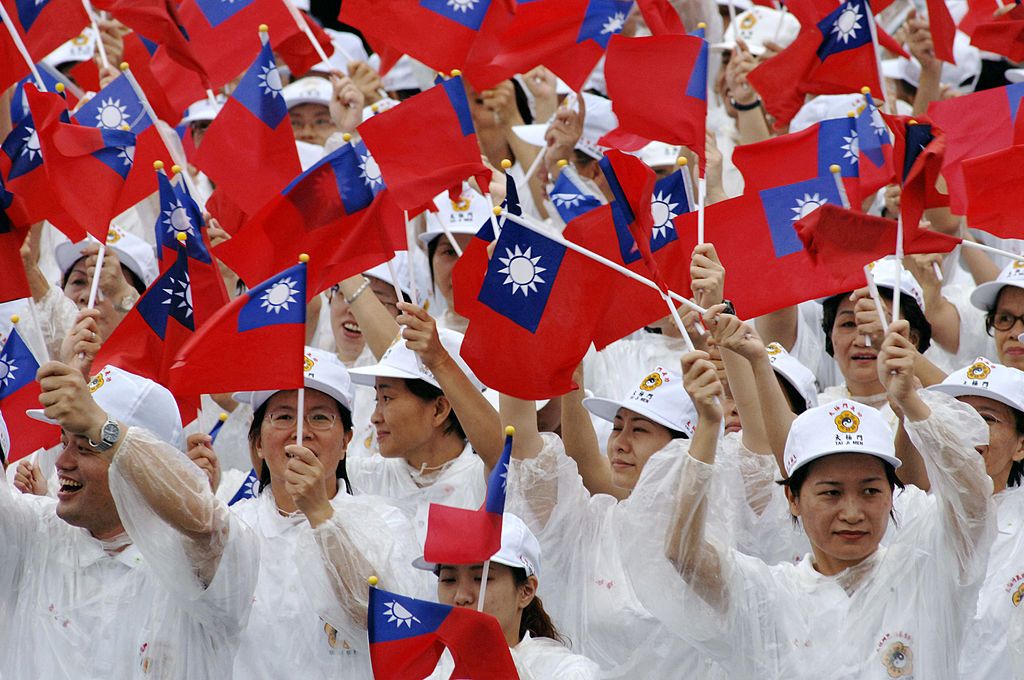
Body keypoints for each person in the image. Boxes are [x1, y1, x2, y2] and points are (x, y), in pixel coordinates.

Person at [640, 320, 994, 679]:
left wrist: (911, 405)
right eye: (831, 493)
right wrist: (708, 426)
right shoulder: (769, 596)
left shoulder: (929, 570)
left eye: (870, 490)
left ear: (891, 494)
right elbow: (684, 553)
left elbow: (974, 501)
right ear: (793, 498)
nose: (853, 513)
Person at [2, 362, 259, 678]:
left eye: (85, 446)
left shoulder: (191, 561)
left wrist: (104, 427)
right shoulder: (33, 535)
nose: (62, 462)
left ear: (137, 465)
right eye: (64, 441)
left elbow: (207, 523)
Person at [217, 347, 423, 678]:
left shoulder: (385, 522)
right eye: (283, 416)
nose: (301, 433)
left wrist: (319, 513)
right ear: (257, 441)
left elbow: (381, 626)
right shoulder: (232, 527)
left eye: (320, 417)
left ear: (346, 440)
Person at [922, 358, 1024, 680]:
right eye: (958, 417)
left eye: (987, 418)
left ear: (1021, 445)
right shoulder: (915, 517)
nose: (969, 430)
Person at [412, 513, 599, 679]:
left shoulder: (566, 672)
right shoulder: (429, 671)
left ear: (526, 591)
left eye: (480, 578)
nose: (461, 596)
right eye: (449, 579)